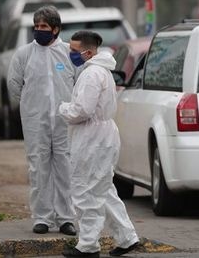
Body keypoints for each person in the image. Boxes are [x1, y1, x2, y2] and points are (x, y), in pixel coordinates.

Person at [58, 31, 140, 258]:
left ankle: (88, 245)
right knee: (102, 189)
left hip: (92, 139)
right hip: (101, 136)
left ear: (89, 52)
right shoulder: (100, 71)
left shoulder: (91, 74)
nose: (71, 54)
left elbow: (82, 110)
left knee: (86, 191)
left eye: (75, 51)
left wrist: (63, 108)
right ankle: (126, 237)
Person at [7, 5, 77, 236]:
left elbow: (80, 84)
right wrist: (30, 107)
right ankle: (42, 218)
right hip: (35, 122)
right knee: (38, 168)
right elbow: (14, 85)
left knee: (65, 168)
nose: (39, 30)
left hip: (64, 122)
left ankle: (66, 218)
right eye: (36, 26)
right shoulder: (24, 54)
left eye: (44, 26)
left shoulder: (69, 53)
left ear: (56, 29)